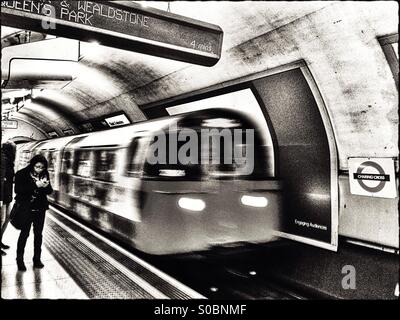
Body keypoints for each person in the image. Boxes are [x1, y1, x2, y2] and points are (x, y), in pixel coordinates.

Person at [14, 154, 53, 271]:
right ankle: (19, 259)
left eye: (42, 167)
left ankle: (37, 259)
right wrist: (35, 185)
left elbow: (49, 191)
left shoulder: (45, 174)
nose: (40, 169)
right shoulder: (21, 174)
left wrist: (45, 186)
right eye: (37, 166)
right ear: (32, 165)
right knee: (24, 234)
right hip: (26, 209)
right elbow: (18, 190)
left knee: (38, 235)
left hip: (40, 209)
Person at [1, 140, 16, 256]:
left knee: (7, 218)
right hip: (2, 196)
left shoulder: (10, 161)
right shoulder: (3, 159)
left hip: (8, 195)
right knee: (1, 220)